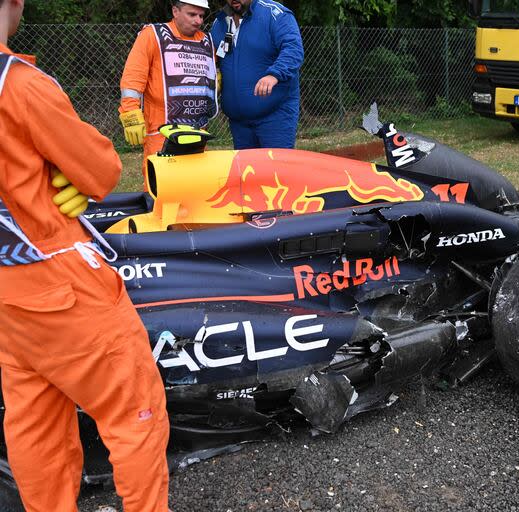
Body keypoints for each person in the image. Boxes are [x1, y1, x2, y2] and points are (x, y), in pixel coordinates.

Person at [0, 0, 170, 510]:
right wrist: (64, 174)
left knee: (35, 422)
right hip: (60, 278)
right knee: (134, 411)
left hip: (8, 297)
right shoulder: (20, 84)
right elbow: (98, 171)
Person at [119, 0, 218, 167]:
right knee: (161, 186)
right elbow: (133, 76)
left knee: (196, 184)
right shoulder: (153, 35)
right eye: (192, 14)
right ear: (175, 11)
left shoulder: (207, 42)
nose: (198, 21)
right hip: (162, 132)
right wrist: (130, 112)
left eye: (201, 15)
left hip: (198, 130)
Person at [211, 0, 304, 149]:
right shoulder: (219, 22)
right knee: (248, 171)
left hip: (275, 116)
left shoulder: (275, 14)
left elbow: (293, 48)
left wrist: (274, 74)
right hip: (238, 122)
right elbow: (213, 59)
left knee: (275, 170)